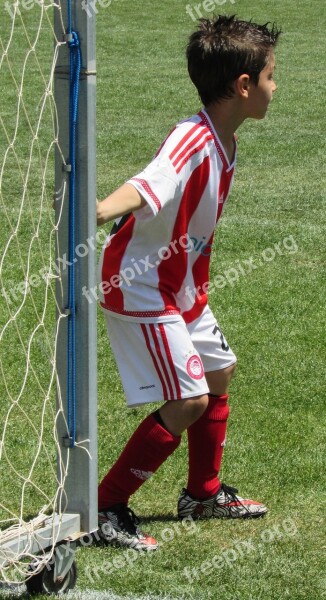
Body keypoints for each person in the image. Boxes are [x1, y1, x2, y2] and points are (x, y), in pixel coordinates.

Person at [96, 15, 280, 552]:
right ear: (243, 86)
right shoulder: (192, 138)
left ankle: (202, 494)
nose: (275, 87)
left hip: (181, 288)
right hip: (140, 285)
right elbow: (149, 182)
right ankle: (105, 506)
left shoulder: (226, 139)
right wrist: (100, 209)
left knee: (220, 370)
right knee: (190, 399)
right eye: (271, 76)